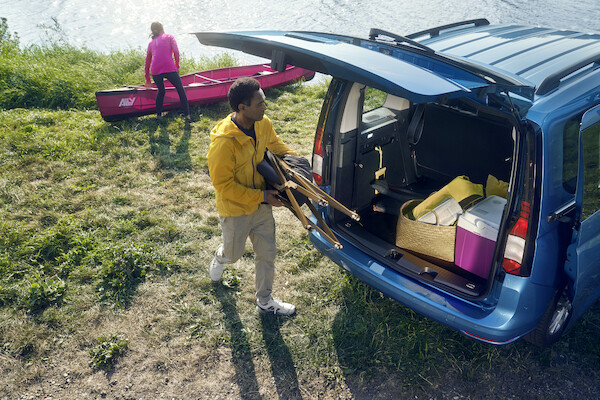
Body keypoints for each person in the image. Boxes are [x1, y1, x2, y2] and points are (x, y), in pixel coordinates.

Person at [207, 77, 296, 316]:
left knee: (267, 253)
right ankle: (221, 257)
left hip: (262, 205)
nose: (265, 107)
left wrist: (297, 166)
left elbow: (276, 146)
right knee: (233, 255)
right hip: (235, 210)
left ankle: (265, 301)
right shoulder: (224, 144)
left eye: (264, 102)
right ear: (241, 108)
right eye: (260, 104)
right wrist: (262, 196)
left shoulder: (262, 123)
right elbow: (223, 185)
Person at [144, 21, 191, 120]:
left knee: (161, 91)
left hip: (155, 70)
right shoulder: (169, 37)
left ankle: (159, 116)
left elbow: (147, 61)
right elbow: (176, 51)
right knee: (180, 90)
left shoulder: (151, 43)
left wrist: (147, 79)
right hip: (169, 67)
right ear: (162, 29)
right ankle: (187, 116)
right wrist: (177, 65)